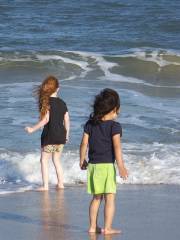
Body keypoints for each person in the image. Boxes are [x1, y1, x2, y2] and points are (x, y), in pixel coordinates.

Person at [80, 88, 128, 235]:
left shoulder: (90, 124)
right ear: (115, 109)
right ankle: (107, 228)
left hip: (93, 166)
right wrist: (121, 166)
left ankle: (92, 227)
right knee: (110, 198)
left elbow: (83, 143)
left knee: (96, 198)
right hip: (107, 167)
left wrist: (82, 159)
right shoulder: (115, 126)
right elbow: (117, 146)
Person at [25, 75, 70, 191]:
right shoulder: (63, 103)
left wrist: (32, 129)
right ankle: (61, 183)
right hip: (61, 136)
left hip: (50, 136)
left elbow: (46, 120)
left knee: (44, 160)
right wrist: (67, 135)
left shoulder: (47, 102)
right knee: (56, 160)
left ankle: (45, 186)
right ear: (58, 89)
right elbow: (67, 120)